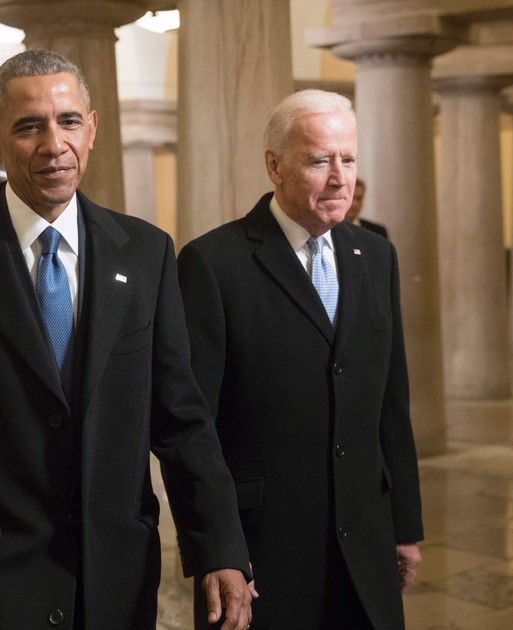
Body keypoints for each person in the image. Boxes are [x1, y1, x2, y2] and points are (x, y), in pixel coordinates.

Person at [0, 50, 253, 630]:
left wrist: (220, 543)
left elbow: (181, 419)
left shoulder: (146, 255)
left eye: (69, 121)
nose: (54, 144)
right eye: (29, 126)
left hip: (116, 583)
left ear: (92, 128)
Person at [177, 90, 423, 629]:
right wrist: (218, 549)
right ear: (274, 165)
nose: (341, 178)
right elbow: (193, 428)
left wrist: (404, 524)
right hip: (262, 553)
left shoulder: (375, 256)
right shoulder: (214, 264)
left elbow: (391, 401)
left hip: (365, 540)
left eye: (349, 159)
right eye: (319, 161)